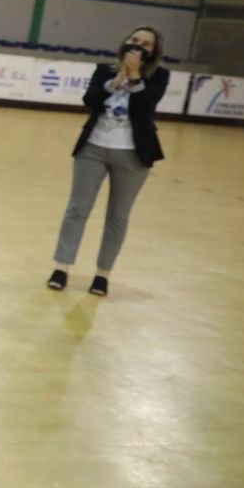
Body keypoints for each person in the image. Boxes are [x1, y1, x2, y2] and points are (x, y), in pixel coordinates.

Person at [48, 27, 167, 297]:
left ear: (154, 51)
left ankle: (103, 274)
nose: (138, 46)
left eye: (146, 44)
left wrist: (135, 76)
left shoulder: (160, 76)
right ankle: (62, 266)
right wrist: (117, 79)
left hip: (133, 154)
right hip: (94, 148)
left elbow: (146, 107)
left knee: (118, 216)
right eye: (134, 40)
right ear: (124, 42)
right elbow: (90, 100)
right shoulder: (104, 69)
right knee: (77, 209)